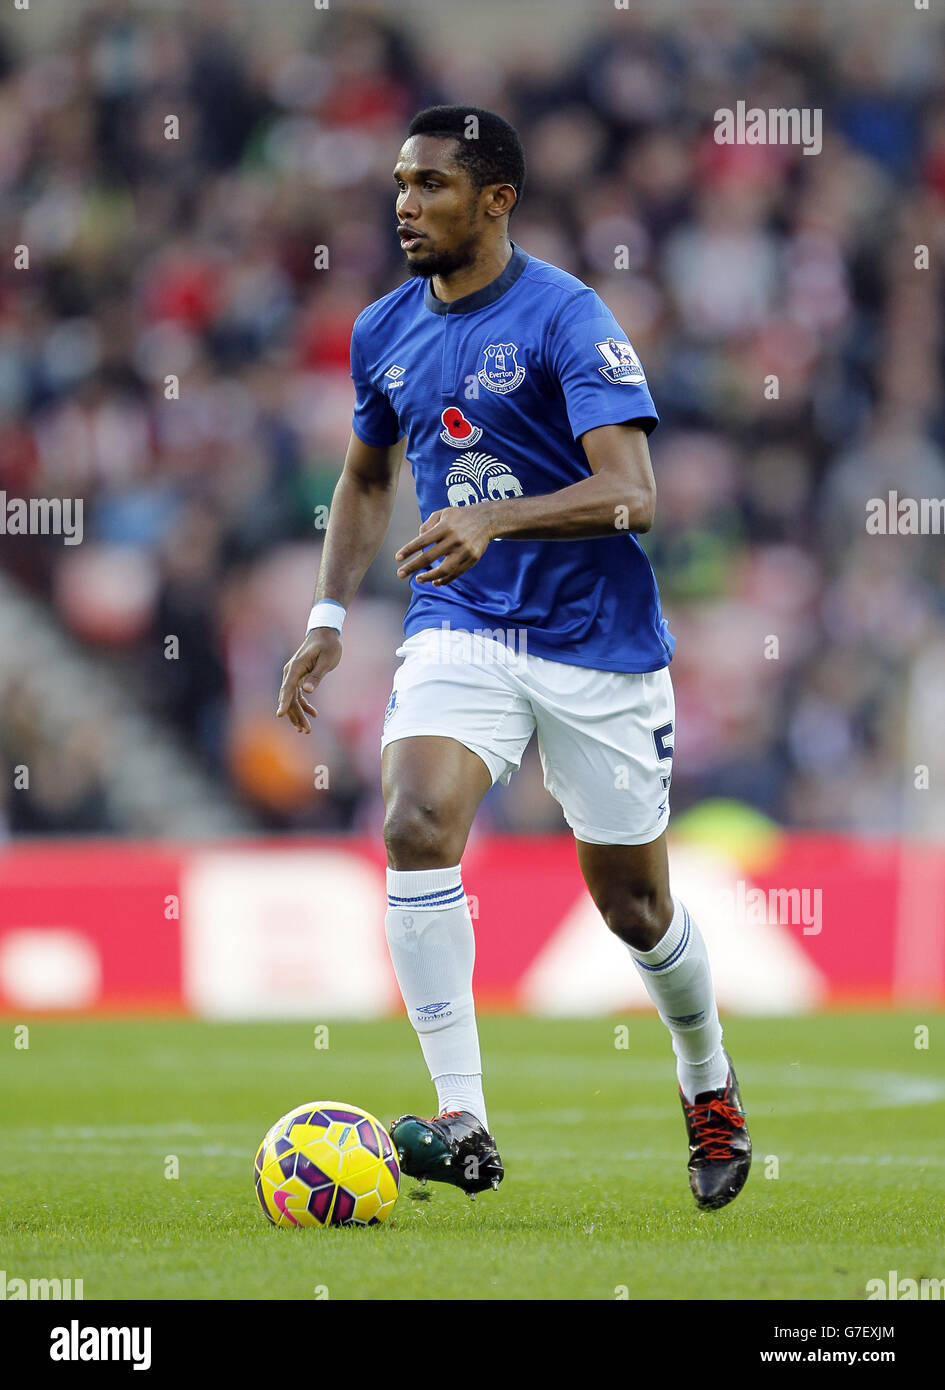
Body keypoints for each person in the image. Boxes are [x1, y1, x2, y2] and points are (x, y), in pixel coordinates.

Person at [277, 105, 751, 1210]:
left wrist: (499, 519)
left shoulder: (567, 317)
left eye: (432, 185)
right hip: (464, 627)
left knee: (634, 906)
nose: (406, 204)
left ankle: (707, 1075)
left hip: (599, 645)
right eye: (399, 183)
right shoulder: (383, 329)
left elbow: (633, 495)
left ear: (496, 200)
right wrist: (329, 617)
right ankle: (465, 1116)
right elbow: (365, 477)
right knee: (412, 823)